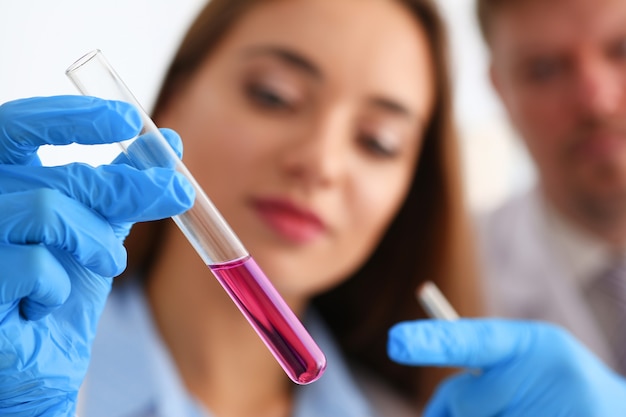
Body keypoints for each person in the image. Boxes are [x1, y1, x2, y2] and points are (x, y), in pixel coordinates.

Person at [0, 0, 625, 416]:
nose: (320, 162)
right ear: (172, 100)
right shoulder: (24, 359)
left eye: (378, 141)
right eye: (274, 96)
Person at [474, 0, 626, 376]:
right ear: (501, 90)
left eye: (623, 50)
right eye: (544, 70)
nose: (597, 102)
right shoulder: (460, 270)